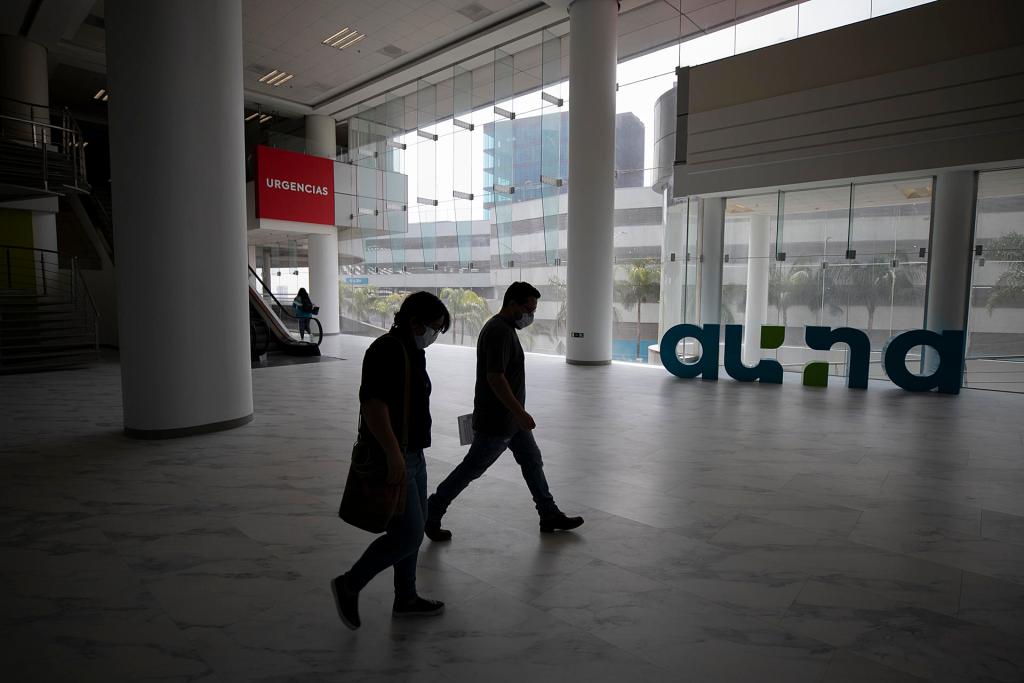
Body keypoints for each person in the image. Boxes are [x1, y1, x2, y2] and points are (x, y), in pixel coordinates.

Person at [425, 281, 583, 540]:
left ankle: (548, 513)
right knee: (472, 468)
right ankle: (432, 509)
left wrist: (517, 415)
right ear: (512, 304)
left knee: (532, 460)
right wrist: (519, 412)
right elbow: (495, 377)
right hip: (498, 421)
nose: (530, 315)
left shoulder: (504, 328)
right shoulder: (499, 331)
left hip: (511, 420)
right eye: (528, 309)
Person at [331, 291, 451, 630]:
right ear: (415, 322)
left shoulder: (412, 350)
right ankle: (349, 584)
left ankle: (406, 598)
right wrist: (393, 453)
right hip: (397, 457)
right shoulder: (386, 350)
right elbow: (373, 405)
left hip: (414, 455)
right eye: (433, 328)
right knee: (409, 535)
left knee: (411, 528)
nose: (434, 335)